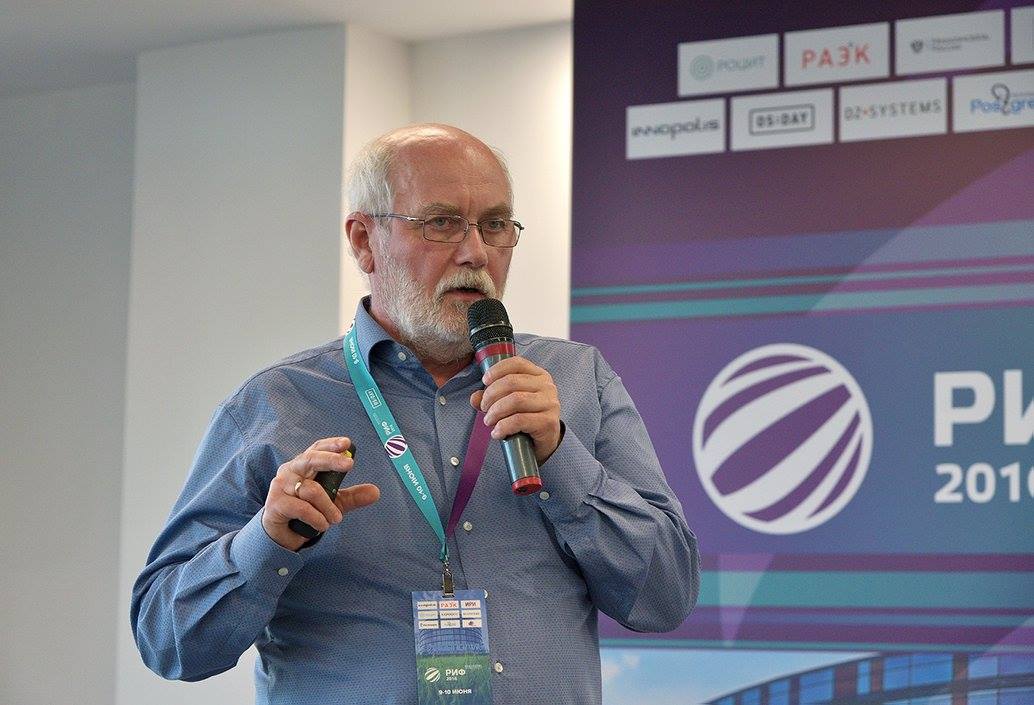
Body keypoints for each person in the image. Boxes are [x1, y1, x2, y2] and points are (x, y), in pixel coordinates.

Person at [131, 124, 699, 704]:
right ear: (364, 241)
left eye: (495, 225)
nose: (476, 253)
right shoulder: (277, 403)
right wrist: (267, 540)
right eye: (442, 222)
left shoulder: (578, 381)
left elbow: (666, 596)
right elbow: (168, 641)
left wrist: (559, 455)